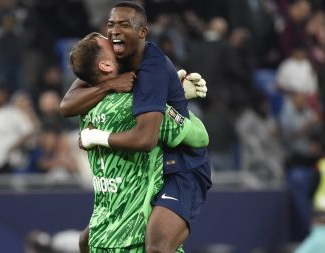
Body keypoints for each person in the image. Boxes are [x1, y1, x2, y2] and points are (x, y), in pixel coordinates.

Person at [60, 2, 212, 252]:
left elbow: (158, 138)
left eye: (123, 24)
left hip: (182, 165)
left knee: (156, 246)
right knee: (90, 240)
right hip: (150, 161)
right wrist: (109, 85)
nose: (114, 32)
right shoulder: (112, 61)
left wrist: (98, 136)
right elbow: (66, 106)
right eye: (110, 25)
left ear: (143, 32)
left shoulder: (150, 69)